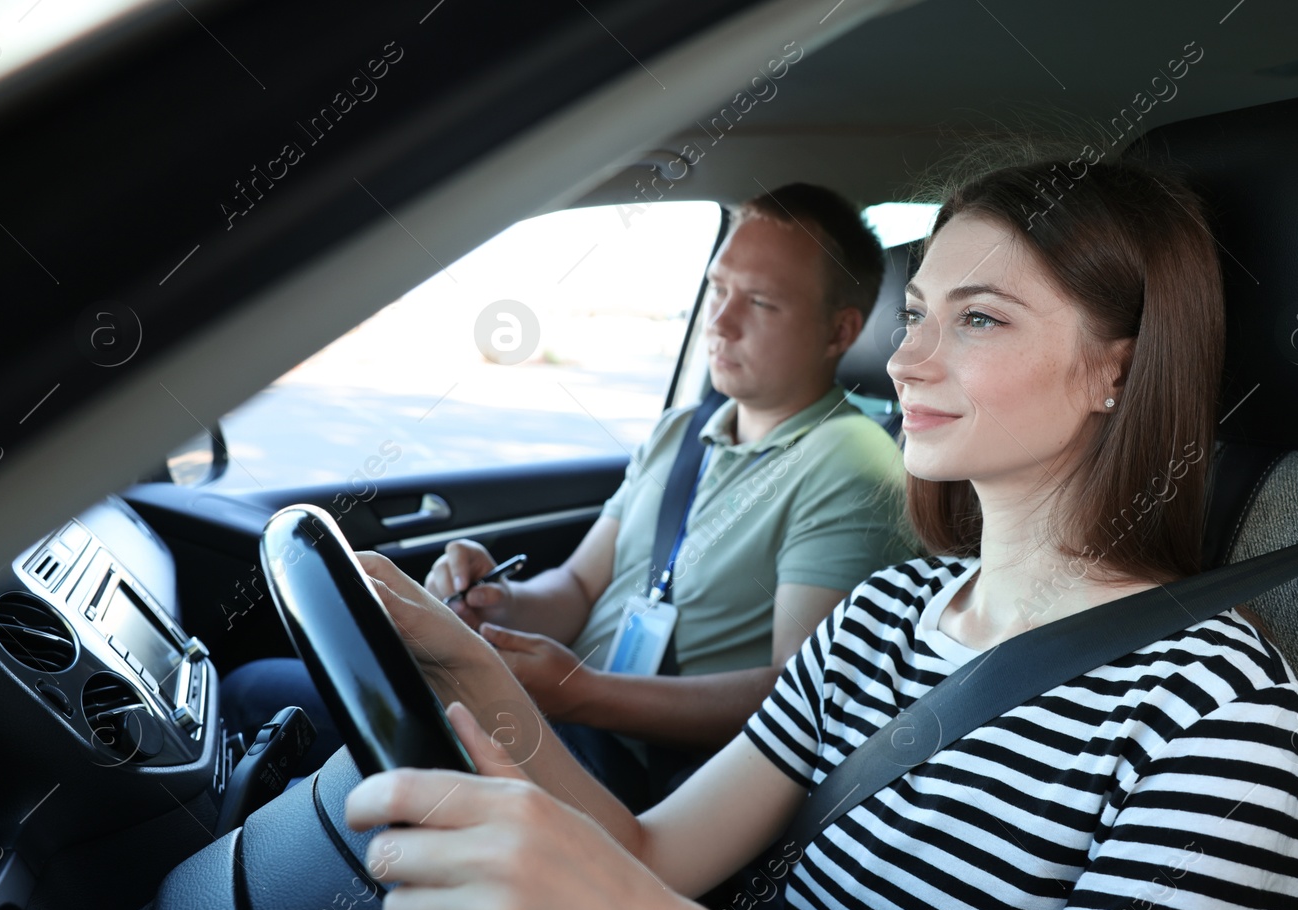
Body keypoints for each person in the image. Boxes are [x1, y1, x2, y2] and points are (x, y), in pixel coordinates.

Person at [347, 156, 1298, 910]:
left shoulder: (1215, 716)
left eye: (978, 320)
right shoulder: (881, 615)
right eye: (918, 315)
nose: (906, 362)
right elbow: (650, 850)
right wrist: (461, 665)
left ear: (1117, 367)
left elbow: (660, 908)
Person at [222, 183, 913, 806]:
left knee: (268, 704)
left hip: (643, 774)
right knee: (265, 692)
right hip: (565, 717)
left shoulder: (849, 464)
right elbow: (580, 586)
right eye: (717, 288)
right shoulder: (685, 430)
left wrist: (582, 692)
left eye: (760, 302)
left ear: (841, 331)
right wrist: (499, 601)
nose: (721, 321)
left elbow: (793, 697)